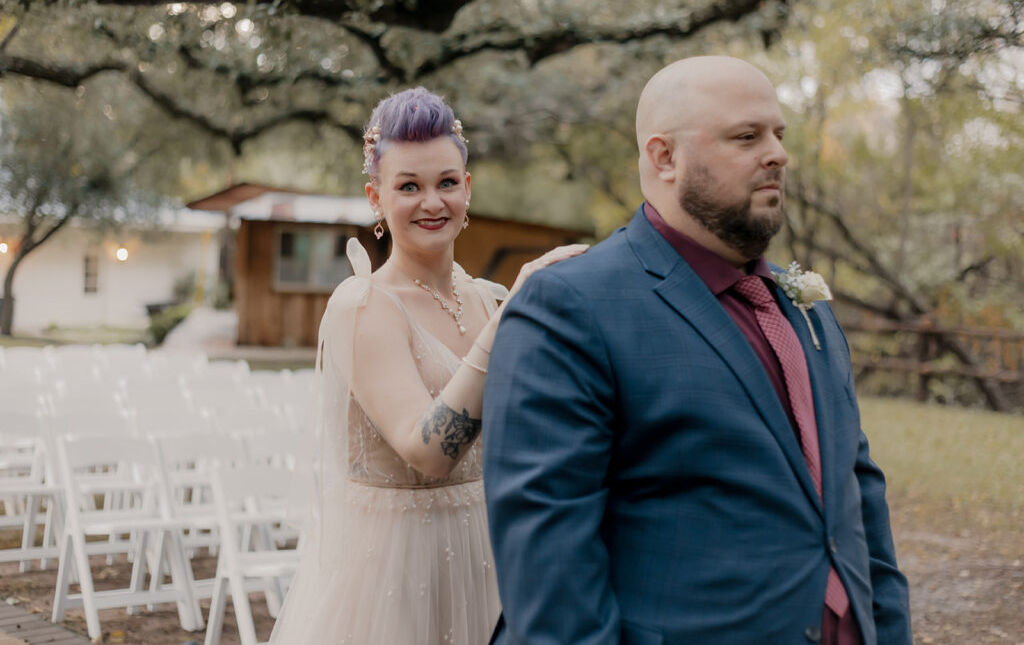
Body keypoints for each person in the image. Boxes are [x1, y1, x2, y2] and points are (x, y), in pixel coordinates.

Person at [482, 56, 912, 644]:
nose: (778, 154)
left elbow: (858, 500)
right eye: (746, 136)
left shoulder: (805, 306)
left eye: (779, 135)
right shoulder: (571, 307)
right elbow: (549, 573)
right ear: (664, 157)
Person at [269, 87, 585, 644]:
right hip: (395, 570)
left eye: (446, 183)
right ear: (376, 198)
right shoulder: (364, 305)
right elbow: (429, 451)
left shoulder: (487, 298)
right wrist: (515, 314)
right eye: (408, 186)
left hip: (492, 553)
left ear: (468, 188)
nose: (431, 203)